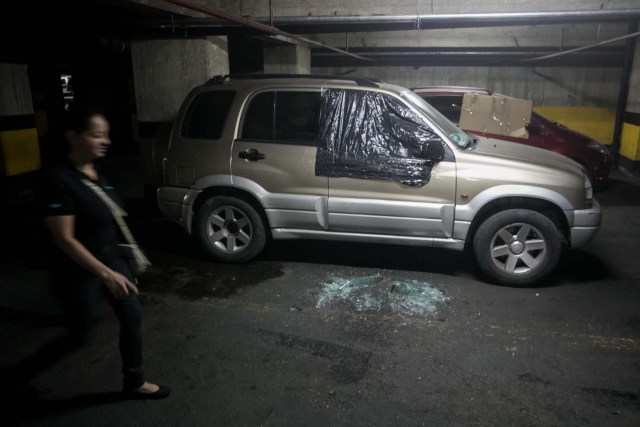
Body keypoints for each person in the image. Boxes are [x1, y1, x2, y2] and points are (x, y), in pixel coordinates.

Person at [28, 105, 170, 400]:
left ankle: (134, 381)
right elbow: (65, 240)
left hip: (110, 259)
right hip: (76, 269)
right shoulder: (59, 180)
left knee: (131, 313)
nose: (105, 141)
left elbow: (109, 217)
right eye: (96, 135)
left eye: (106, 135)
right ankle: (16, 378)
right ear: (74, 137)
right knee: (79, 335)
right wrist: (105, 274)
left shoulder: (97, 173)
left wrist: (123, 262)